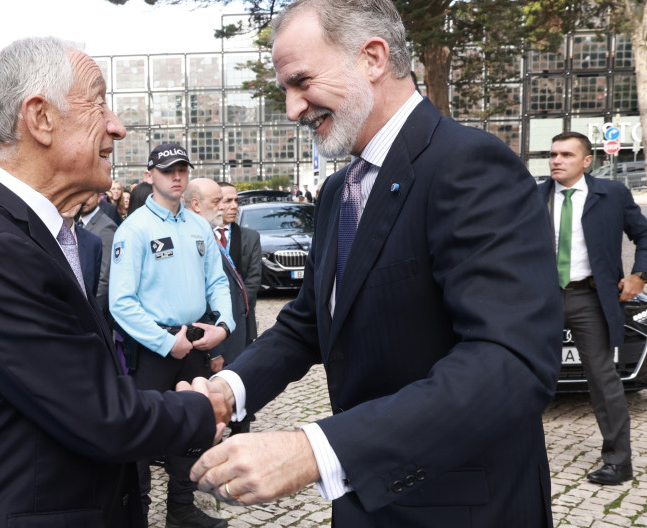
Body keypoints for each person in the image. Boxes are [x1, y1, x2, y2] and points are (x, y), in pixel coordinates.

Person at [189, 1, 563, 526]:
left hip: (462, 506)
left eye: (301, 82)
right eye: (284, 91)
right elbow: (307, 324)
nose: (293, 109)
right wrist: (230, 391)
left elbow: (509, 362)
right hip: (369, 502)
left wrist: (312, 451)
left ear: (372, 57)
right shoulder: (342, 188)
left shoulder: (468, 165)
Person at [0, 37, 228, 528]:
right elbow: (100, 416)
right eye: (99, 103)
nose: (117, 126)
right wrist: (202, 409)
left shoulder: (17, 229)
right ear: (40, 118)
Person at [109, 142, 233, 528]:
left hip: (195, 341)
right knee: (143, 438)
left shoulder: (199, 226)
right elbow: (121, 302)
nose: (177, 176)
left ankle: (181, 509)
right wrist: (166, 343)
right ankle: (138, 513)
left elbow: (218, 281)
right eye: (167, 171)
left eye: (182, 169)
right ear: (150, 176)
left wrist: (223, 326)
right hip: (153, 346)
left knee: (193, 429)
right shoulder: (134, 229)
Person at [539, 131, 647, 485]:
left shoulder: (612, 194)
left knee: (603, 379)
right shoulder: (534, 196)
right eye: (553, 154)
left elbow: (646, 236)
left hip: (589, 298)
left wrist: (640, 274)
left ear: (587, 161)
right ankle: (513, 455)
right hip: (541, 299)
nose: (557, 160)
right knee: (523, 374)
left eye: (566, 155)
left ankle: (619, 462)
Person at [185, 179, 246, 375]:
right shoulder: (190, 239)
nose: (223, 208)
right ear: (196, 205)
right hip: (214, 345)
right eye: (217, 201)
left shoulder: (208, 235)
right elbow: (200, 297)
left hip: (228, 336)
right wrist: (215, 351)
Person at [216, 182, 262, 344]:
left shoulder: (251, 237)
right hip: (211, 320)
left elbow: (254, 279)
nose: (234, 206)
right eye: (228, 201)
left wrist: (235, 306)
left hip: (242, 316)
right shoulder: (201, 236)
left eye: (236, 201)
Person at [78, 191, 118, 325]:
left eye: (89, 194)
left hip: (94, 315)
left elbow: (104, 280)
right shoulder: (77, 222)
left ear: (99, 196)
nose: (84, 199)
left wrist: (92, 317)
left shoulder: (106, 227)